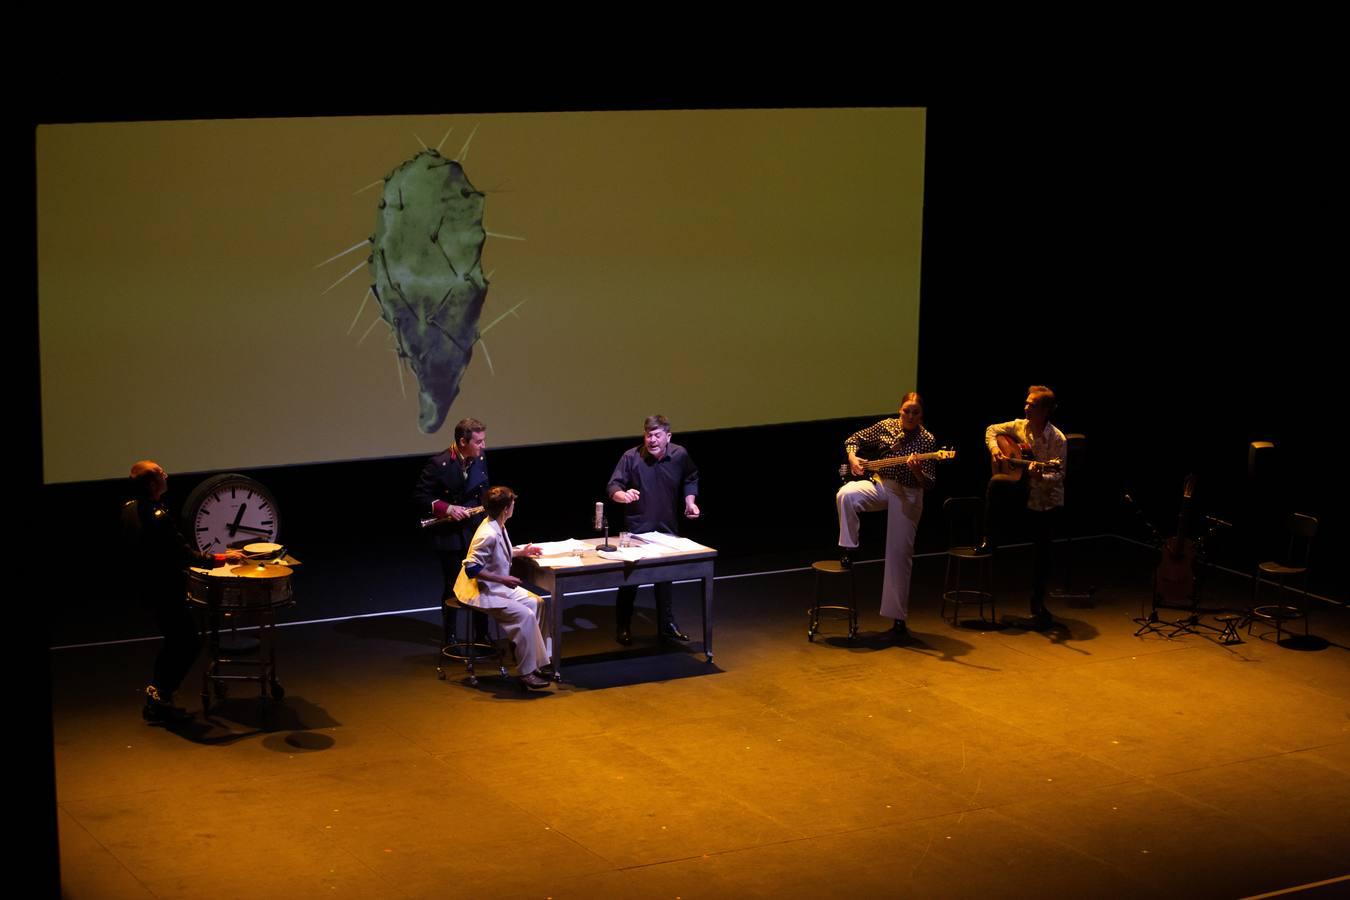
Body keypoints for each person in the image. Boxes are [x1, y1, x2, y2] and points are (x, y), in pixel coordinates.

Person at [121, 460, 241, 721]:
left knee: (175, 641)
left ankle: (158, 695)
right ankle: (160, 695)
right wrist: (221, 558)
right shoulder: (157, 517)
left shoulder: (130, 509)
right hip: (164, 589)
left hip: (147, 588)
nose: (166, 475)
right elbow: (183, 554)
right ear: (153, 484)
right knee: (187, 643)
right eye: (161, 473)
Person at [835, 393, 937, 639]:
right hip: (883, 485)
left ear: (921, 415)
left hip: (909, 494)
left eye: (915, 412)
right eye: (906, 411)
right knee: (846, 494)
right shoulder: (886, 426)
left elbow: (930, 483)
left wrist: (917, 472)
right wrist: (852, 457)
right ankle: (849, 548)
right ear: (900, 411)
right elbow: (853, 439)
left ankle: (898, 620)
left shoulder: (926, 440)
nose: (910, 416)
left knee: (898, 555)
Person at [606, 414, 700, 646]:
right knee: (630, 581)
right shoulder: (631, 457)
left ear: (668, 437)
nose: (652, 440)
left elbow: (691, 477)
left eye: (657, 435)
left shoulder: (679, 455)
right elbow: (613, 486)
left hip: (667, 529)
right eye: (648, 435)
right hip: (637, 530)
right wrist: (622, 496)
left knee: (665, 580)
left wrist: (690, 501)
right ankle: (623, 626)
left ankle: (667, 626)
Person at [982, 385, 1068, 630]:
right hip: (1024, 494)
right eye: (1026, 403)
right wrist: (996, 450)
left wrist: (1040, 476)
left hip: (1046, 501)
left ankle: (1037, 602)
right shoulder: (1019, 426)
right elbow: (991, 430)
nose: (1026, 408)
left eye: (1032, 405)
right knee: (997, 483)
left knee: (1042, 554)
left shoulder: (1057, 439)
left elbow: (1059, 476)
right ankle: (990, 538)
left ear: (1045, 410)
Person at [452, 486, 552, 689]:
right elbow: (471, 568)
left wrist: (521, 552)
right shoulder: (487, 533)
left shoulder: (498, 524)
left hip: (497, 586)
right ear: (506, 508)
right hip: (481, 590)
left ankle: (537, 663)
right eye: (512, 503)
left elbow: (499, 554)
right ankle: (526, 673)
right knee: (524, 615)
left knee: (537, 603)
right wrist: (502, 579)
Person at [415, 418, 491, 648]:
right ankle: (450, 636)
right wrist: (448, 508)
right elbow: (420, 496)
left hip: (475, 530)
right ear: (462, 441)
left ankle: (482, 635)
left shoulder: (479, 458)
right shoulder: (439, 464)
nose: (483, 446)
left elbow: (484, 491)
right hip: (450, 534)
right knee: (452, 585)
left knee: (480, 582)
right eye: (478, 441)